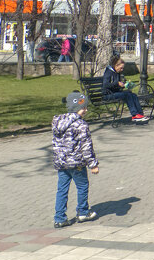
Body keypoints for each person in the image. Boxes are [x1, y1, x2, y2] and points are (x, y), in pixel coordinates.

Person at [52, 91, 99, 228]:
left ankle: (59, 218)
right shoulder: (81, 125)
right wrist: (93, 164)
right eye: (84, 107)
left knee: (62, 189)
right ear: (76, 107)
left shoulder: (57, 122)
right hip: (77, 163)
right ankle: (83, 212)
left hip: (62, 162)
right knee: (82, 186)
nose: (86, 110)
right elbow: (86, 147)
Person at [102, 53, 148, 123]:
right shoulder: (108, 72)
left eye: (122, 68)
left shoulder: (117, 72)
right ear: (116, 66)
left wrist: (125, 84)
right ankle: (134, 114)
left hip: (115, 92)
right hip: (108, 94)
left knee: (133, 95)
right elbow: (105, 85)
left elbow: (117, 84)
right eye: (121, 68)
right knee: (127, 95)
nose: (122, 69)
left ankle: (140, 114)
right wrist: (117, 83)